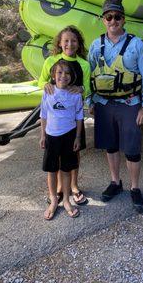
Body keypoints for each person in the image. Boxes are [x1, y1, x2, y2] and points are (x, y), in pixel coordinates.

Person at [88, 0, 143, 213]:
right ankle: (116, 183)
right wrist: (89, 101)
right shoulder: (95, 46)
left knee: (132, 149)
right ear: (103, 19)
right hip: (103, 104)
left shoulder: (136, 44)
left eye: (117, 17)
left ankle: (135, 188)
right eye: (109, 17)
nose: (113, 21)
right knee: (111, 145)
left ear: (123, 19)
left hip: (129, 103)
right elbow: (89, 75)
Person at [38, 26, 91, 206]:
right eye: (66, 40)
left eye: (74, 41)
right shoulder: (51, 61)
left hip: (73, 119)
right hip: (55, 120)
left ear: (79, 44)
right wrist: (46, 84)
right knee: (57, 156)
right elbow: (41, 81)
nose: (70, 44)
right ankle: (60, 189)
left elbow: (88, 88)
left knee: (74, 153)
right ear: (60, 43)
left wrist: (82, 89)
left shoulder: (84, 64)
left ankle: (74, 186)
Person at [40, 59, 84, 220]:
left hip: (69, 136)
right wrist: (43, 135)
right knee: (52, 170)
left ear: (72, 77)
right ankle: (53, 200)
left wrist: (78, 137)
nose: (63, 76)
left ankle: (66, 199)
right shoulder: (48, 92)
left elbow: (79, 116)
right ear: (53, 75)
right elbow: (43, 114)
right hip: (51, 136)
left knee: (66, 170)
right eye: (59, 72)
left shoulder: (76, 95)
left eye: (67, 73)